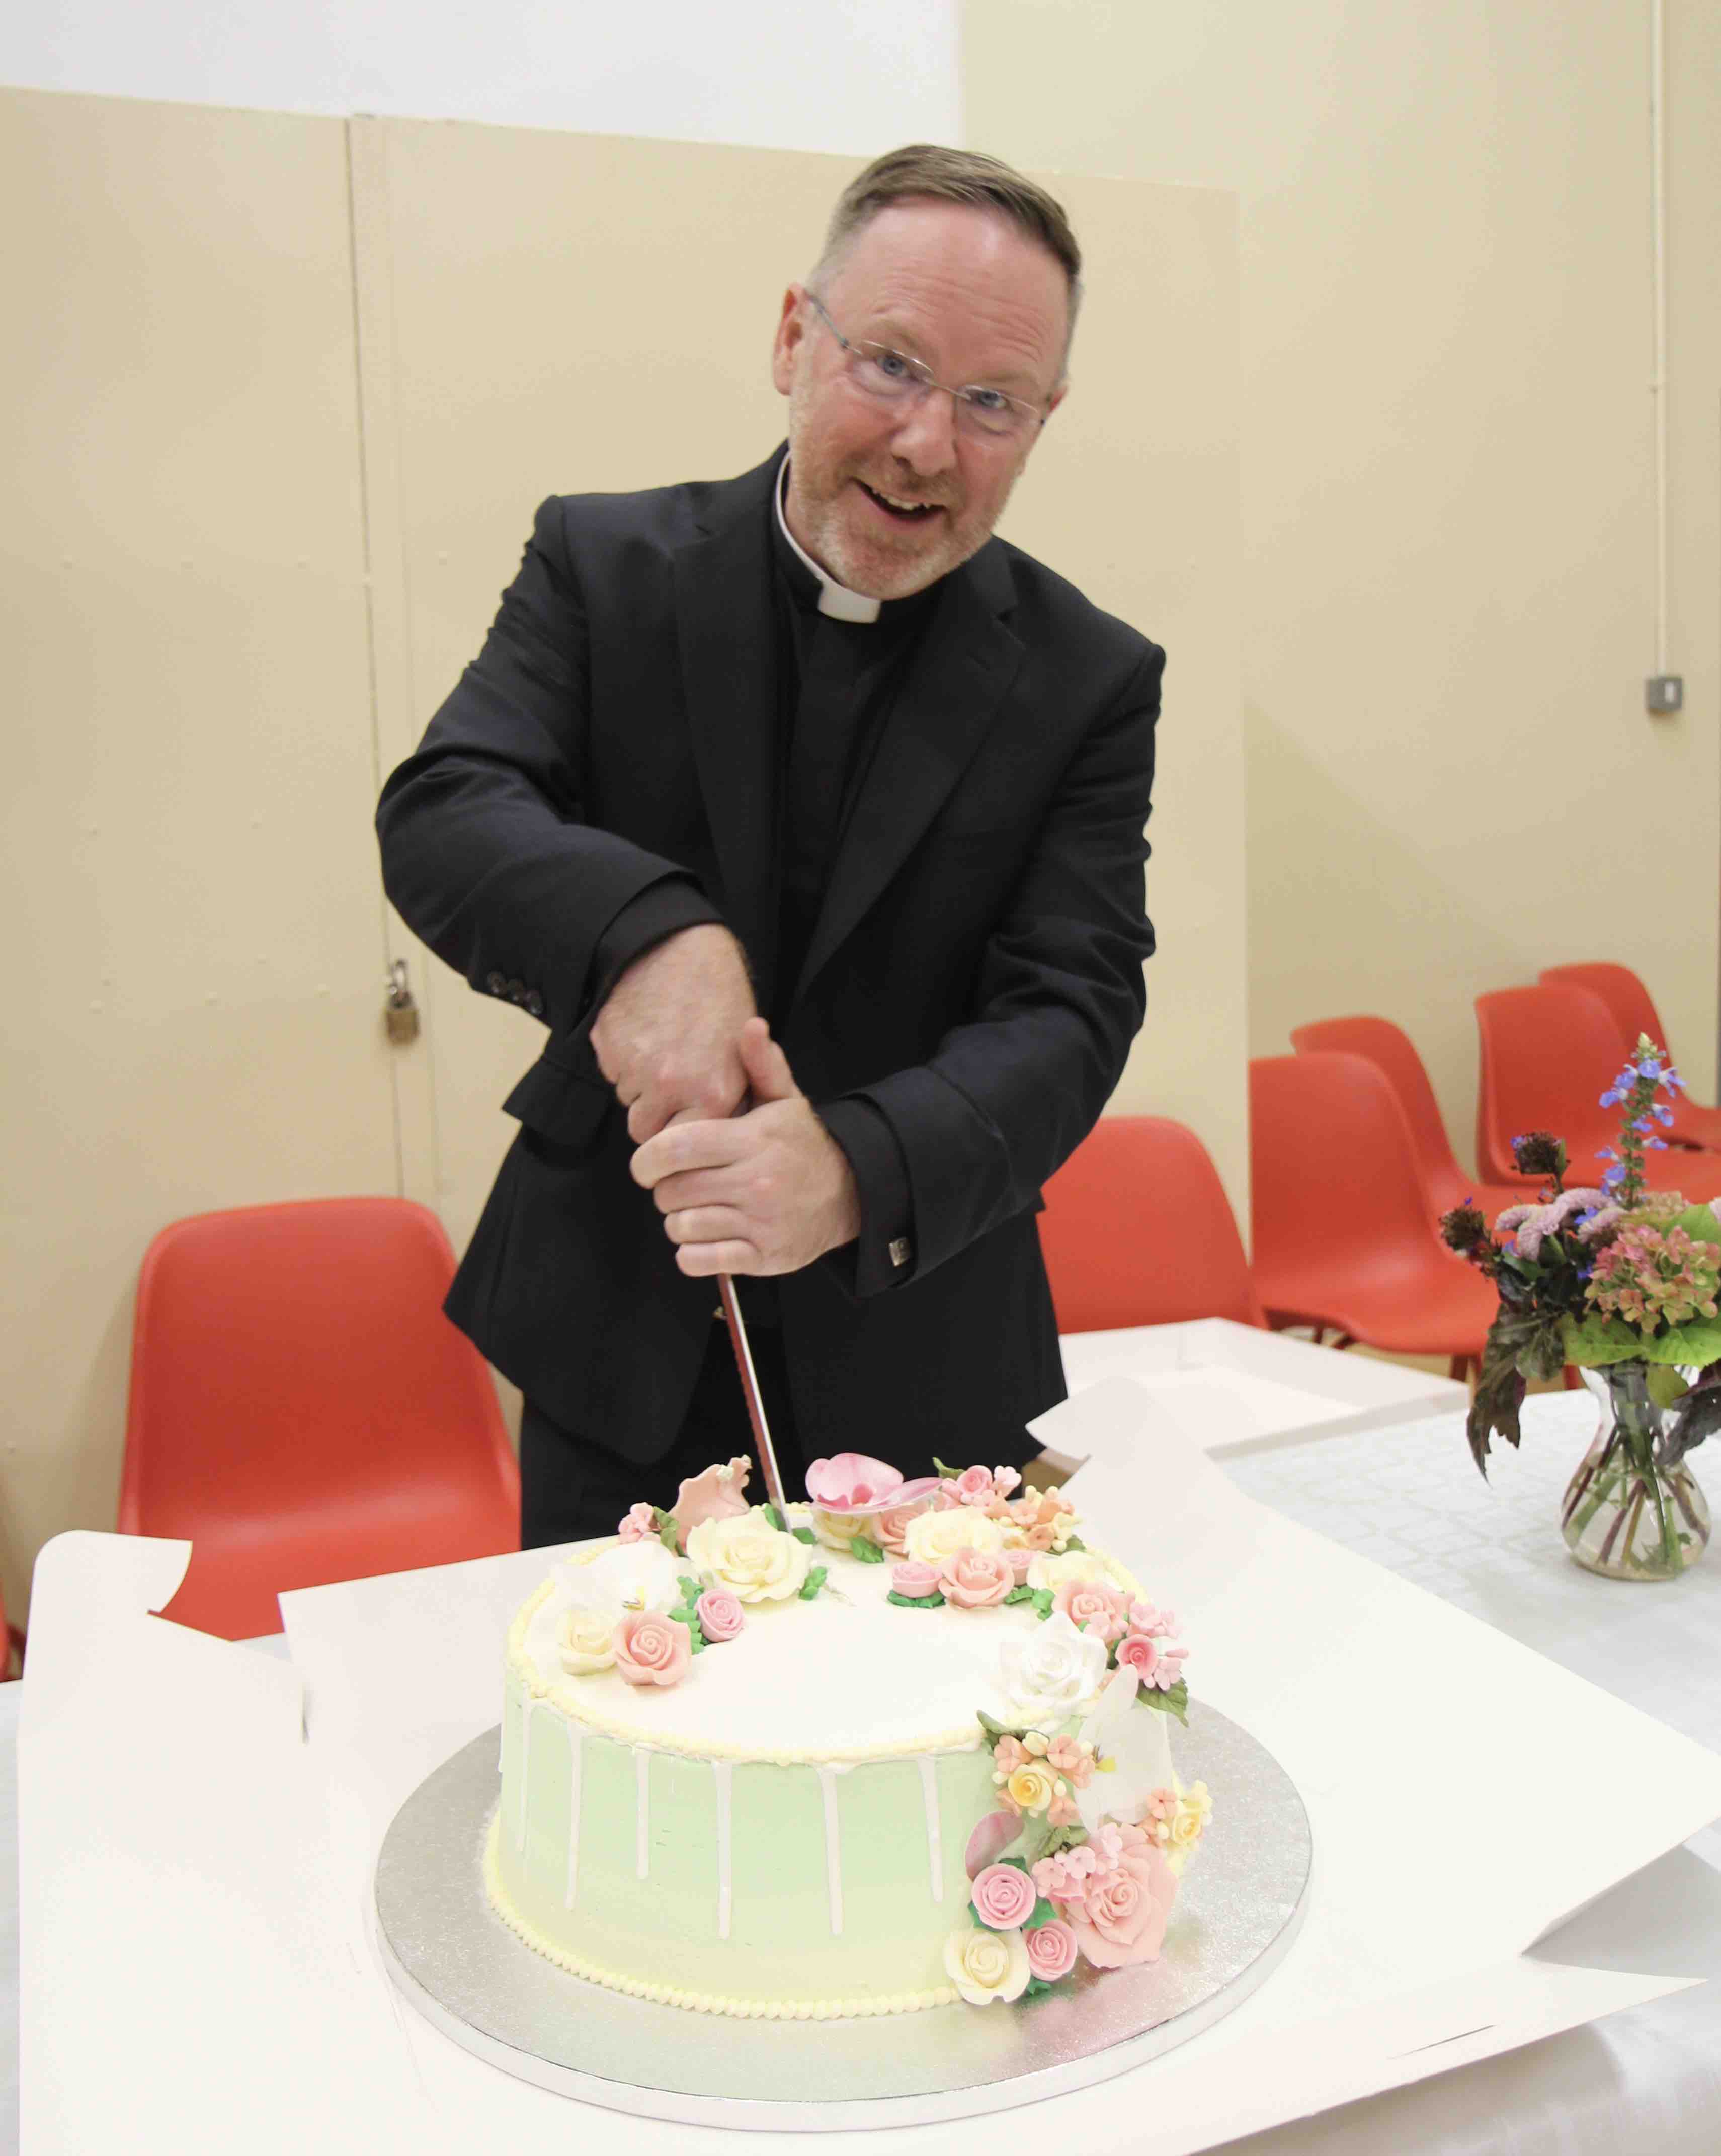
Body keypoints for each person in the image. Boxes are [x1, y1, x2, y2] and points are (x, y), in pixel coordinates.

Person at [376, 144, 1164, 1547]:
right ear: (796, 336)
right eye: (893, 366)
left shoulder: (1088, 676)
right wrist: (645, 935)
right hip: (618, 1329)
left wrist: (856, 1166)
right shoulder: (603, 565)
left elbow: (1076, 1002)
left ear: (1044, 420)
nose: (929, 443)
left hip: (925, 1340)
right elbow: (446, 808)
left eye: (992, 402)